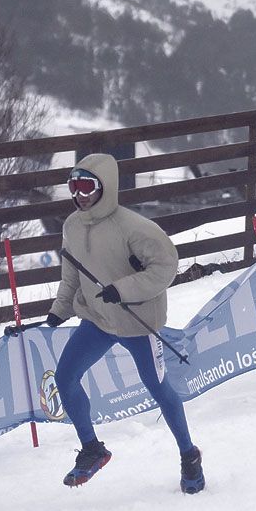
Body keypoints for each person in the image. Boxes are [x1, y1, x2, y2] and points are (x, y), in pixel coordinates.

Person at [30, 154, 204, 492]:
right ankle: (92, 450)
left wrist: (123, 289)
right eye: (73, 186)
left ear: (105, 188)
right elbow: (71, 275)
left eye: (86, 186)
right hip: (97, 319)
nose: (79, 194)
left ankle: (189, 455)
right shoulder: (72, 226)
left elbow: (165, 265)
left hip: (138, 323)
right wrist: (59, 309)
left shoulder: (134, 228)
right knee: (65, 378)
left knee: (159, 390)